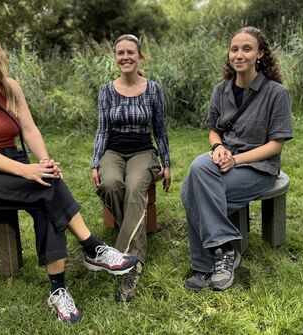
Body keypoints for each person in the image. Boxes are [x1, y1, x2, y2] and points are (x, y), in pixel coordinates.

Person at [0, 19, 137, 323]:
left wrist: (43, 162)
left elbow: (29, 129)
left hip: (11, 160)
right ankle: (92, 249)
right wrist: (26, 170)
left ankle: (59, 291)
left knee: (47, 187)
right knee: (42, 187)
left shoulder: (10, 86)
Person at [181, 27, 293, 292]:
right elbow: (213, 129)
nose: (239, 54)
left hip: (258, 167)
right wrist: (218, 146)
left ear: (260, 54)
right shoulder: (220, 90)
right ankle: (225, 250)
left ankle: (206, 263)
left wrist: (237, 159)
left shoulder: (276, 93)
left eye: (247, 49)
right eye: (234, 49)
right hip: (223, 159)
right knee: (199, 167)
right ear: (229, 54)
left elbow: (276, 145)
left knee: (192, 191)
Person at [91, 34, 171, 302]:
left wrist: (167, 163)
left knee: (136, 186)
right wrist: (95, 163)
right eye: (120, 53)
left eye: (130, 52)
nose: (125, 57)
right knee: (112, 184)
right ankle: (130, 233)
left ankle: (130, 263)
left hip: (142, 150)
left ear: (140, 57)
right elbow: (102, 130)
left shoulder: (153, 89)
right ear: (115, 58)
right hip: (113, 150)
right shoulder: (106, 90)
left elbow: (159, 129)